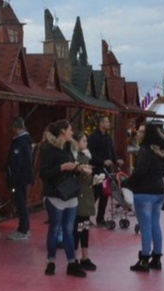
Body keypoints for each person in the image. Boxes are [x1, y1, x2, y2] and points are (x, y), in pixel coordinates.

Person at [38, 119, 88, 278]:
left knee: (68, 229)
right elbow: (44, 173)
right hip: (55, 194)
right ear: (62, 131)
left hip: (70, 193)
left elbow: (70, 166)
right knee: (55, 228)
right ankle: (51, 261)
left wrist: (78, 168)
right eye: (70, 130)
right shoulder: (47, 148)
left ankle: (71, 262)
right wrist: (62, 167)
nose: (72, 133)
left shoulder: (68, 147)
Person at [122, 121, 164, 272]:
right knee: (155, 223)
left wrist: (127, 183)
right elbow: (163, 171)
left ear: (148, 134)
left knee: (145, 226)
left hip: (144, 191)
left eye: (142, 132)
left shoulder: (144, 150)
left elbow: (140, 171)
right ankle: (157, 258)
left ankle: (144, 259)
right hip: (159, 191)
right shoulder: (161, 150)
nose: (138, 134)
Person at [72, 132, 97, 271]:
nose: (86, 143)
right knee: (78, 228)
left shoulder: (85, 157)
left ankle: (85, 256)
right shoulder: (75, 158)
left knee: (84, 227)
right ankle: (75, 257)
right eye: (83, 140)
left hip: (86, 194)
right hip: (80, 196)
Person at [6, 117, 34, 240]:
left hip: (19, 178)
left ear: (17, 128)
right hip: (23, 177)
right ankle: (24, 227)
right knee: (21, 202)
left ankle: (23, 229)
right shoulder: (25, 141)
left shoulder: (20, 142)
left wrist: (13, 178)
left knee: (21, 202)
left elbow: (17, 162)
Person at [89, 116, 117, 226]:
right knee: (95, 193)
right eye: (106, 121)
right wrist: (102, 161)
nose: (109, 123)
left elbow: (111, 150)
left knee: (105, 194)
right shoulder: (94, 137)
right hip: (98, 170)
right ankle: (86, 216)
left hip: (107, 171)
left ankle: (100, 218)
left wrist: (115, 160)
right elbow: (91, 154)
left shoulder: (108, 137)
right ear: (101, 124)